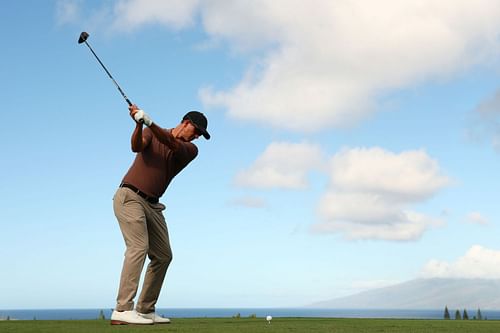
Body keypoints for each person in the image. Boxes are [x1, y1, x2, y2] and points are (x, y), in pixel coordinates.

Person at [110, 104, 210, 325]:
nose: (196, 137)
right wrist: (139, 125)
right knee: (138, 247)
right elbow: (136, 147)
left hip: (153, 205)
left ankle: (145, 309)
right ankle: (122, 309)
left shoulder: (190, 150)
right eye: (196, 132)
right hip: (129, 196)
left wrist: (149, 122)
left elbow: (170, 141)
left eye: (200, 135)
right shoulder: (150, 132)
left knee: (164, 255)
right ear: (185, 123)